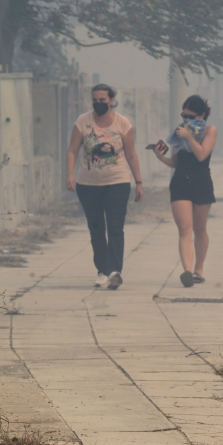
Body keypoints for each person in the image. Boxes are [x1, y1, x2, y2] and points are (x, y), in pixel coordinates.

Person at [66, 83, 144, 290]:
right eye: (95, 100)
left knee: (116, 227)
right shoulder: (82, 122)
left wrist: (138, 182)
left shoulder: (123, 123)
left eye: (102, 100)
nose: (98, 104)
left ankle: (115, 271)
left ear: (111, 100)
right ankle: (102, 271)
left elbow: (131, 154)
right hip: (88, 185)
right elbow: (72, 150)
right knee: (96, 228)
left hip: (117, 183)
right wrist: (70, 175)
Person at [152, 95, 218, 287]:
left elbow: (201, 155)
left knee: (200, 228)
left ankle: (199, 269)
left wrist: (189, 136)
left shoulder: (209, 131)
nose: (187, 120)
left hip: (201, 181)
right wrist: (159, 156)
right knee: (184, 229)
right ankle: (187, 271)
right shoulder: (178, 133)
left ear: (202, 115)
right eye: (184, 115)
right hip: (181, 181)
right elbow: (175, 162)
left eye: (191, 116)